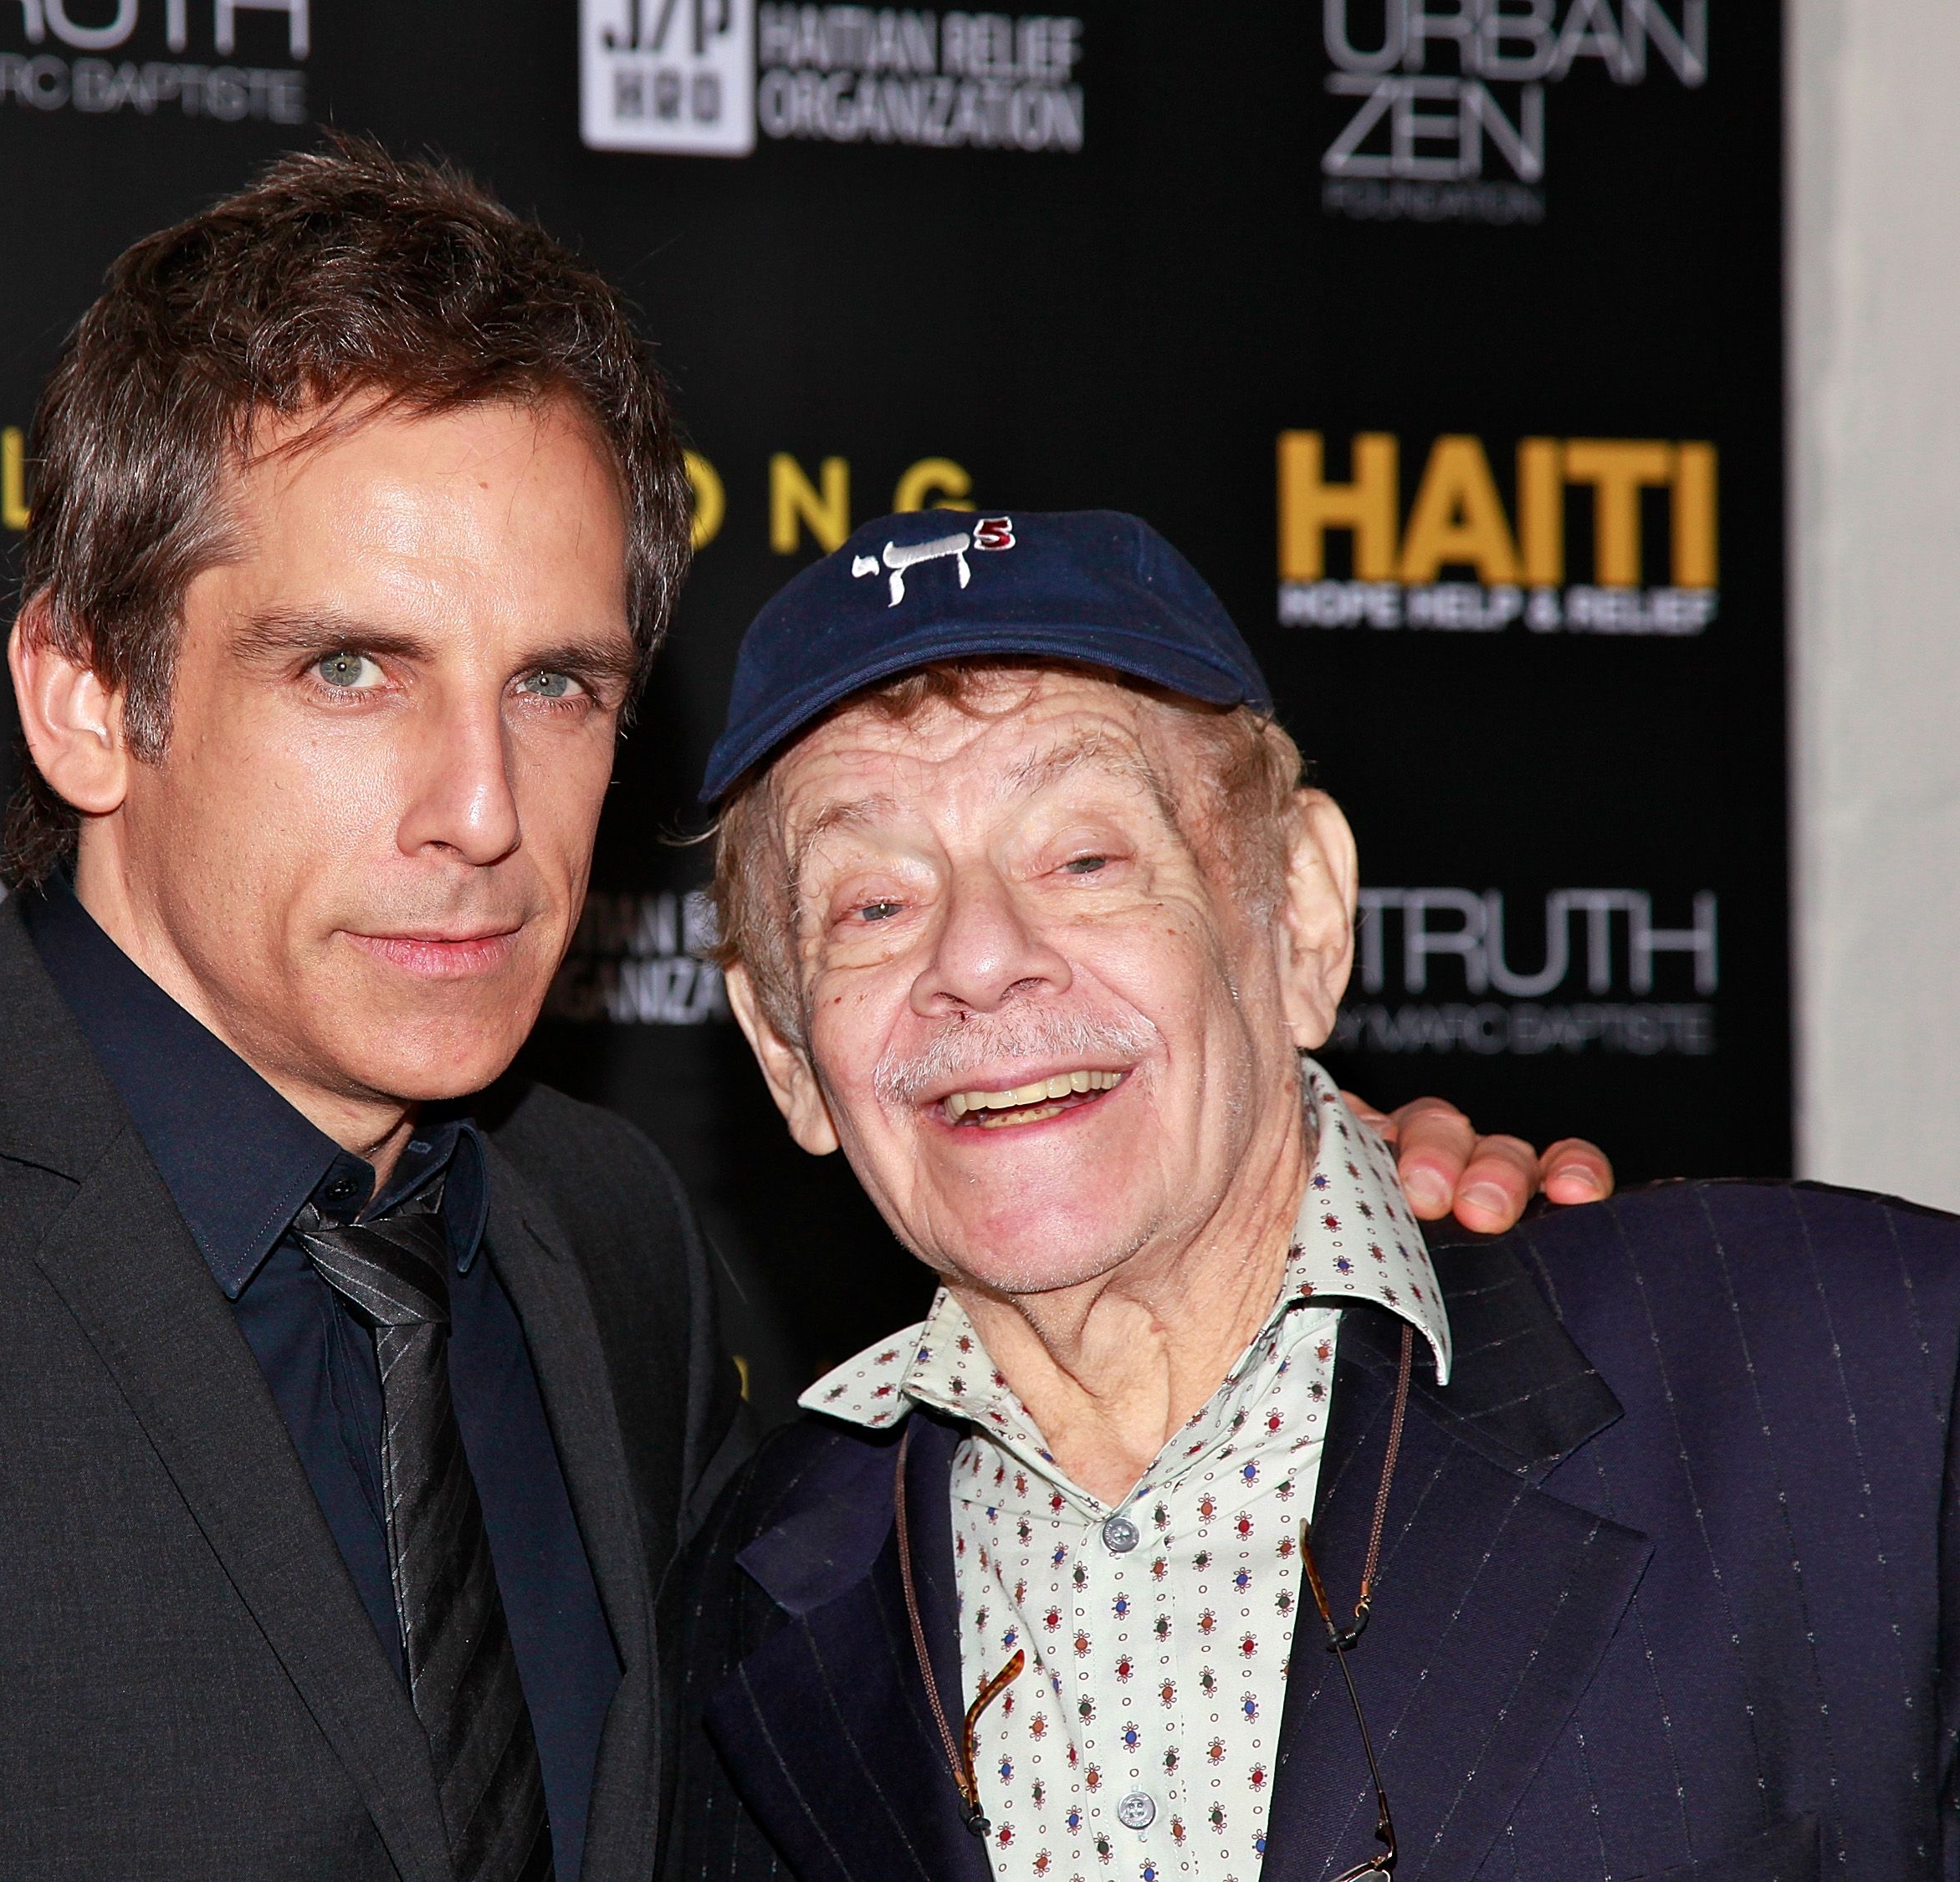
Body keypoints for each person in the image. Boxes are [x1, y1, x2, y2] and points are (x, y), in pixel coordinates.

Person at [0, 153, 1586, 1882]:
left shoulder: (603, 1241)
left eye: (556, 687)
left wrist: (1321, 1199)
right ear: (91, 697)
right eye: (351, 671)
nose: (483, 813)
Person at [671, 509, 1960, 1882]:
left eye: (1085, 857)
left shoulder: (1863, 1385)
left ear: (1301, 913)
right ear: (787, 1050)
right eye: (873, 904)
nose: (979, 959)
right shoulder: (742, 1622)